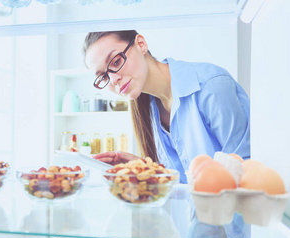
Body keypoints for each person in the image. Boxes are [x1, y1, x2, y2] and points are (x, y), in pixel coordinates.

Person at [83, 30, 250, 183]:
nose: (113, 80)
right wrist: (146, 170)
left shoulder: (210, 85)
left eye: (116, 61)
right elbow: (182, 181)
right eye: (103, 76)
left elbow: (246, 170)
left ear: (141, 44)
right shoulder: (147, 108)